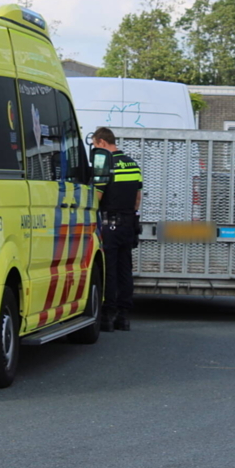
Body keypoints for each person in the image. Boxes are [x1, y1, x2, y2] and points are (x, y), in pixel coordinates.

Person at [92, 127, 142, 332]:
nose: (95, 150)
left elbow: (97, 198)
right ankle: (124, 316)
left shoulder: (104, 163)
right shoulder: (132, 163)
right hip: (129, 223)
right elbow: (138, 198)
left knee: (108, 270)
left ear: (102, 143)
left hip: (108, 224)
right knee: (125, 270)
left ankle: (107, 316)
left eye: (95, 146)